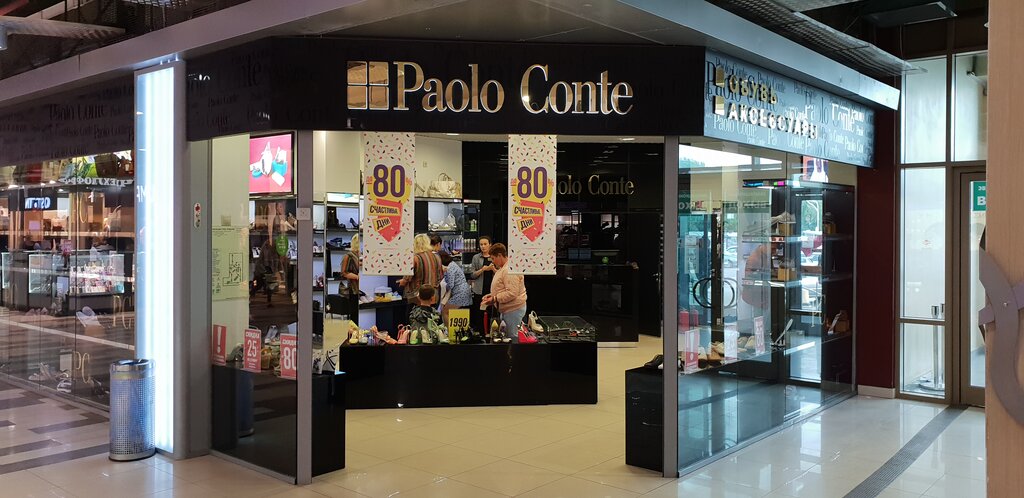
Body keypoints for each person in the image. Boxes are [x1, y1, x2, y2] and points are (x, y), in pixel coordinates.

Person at [482, 243, 527, 342]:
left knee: (512, 338)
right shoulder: (505, 268)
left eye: (493, 258)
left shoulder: (508, 270)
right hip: (509, 310)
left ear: (499, 255)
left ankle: (514, 352)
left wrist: (495, 298)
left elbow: (512, 293)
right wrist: (492, 295)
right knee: (508, 337)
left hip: (513, 310)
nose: (493, 262)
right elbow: (504, 288)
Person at [398, 234, 444, 304]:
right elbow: (440, 276)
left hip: (418, 296)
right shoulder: (437, 257)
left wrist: (403, 281)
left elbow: (407, 277)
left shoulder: (415, 258)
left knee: (414, 311)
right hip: (433, 295)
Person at [468, 235, 494, 329]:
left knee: (491, 313)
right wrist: (483, 269)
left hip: (492, 290)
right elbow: (472, 275)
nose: (483, 246)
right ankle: (480, 331)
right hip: (479, 290)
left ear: (490, 245)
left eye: (485, 244)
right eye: (481, 244)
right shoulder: (476, 257)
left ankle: (490, 332)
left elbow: (500, 273)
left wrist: (492, 269)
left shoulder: (494, 257)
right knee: (479, 313)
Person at [439, 251, 472, 323]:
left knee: (445, 311)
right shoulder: (453, 265)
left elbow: (450, 285)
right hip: (463, 292)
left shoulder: (450, 268)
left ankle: (447, 328)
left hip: (460, 293)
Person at [340, 234, 361, 316]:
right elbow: (344, 272)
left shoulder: (361, 255)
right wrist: (357, 277)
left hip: (362, 289)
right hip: (353, 288)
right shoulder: (348, 256)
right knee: (355, 314)